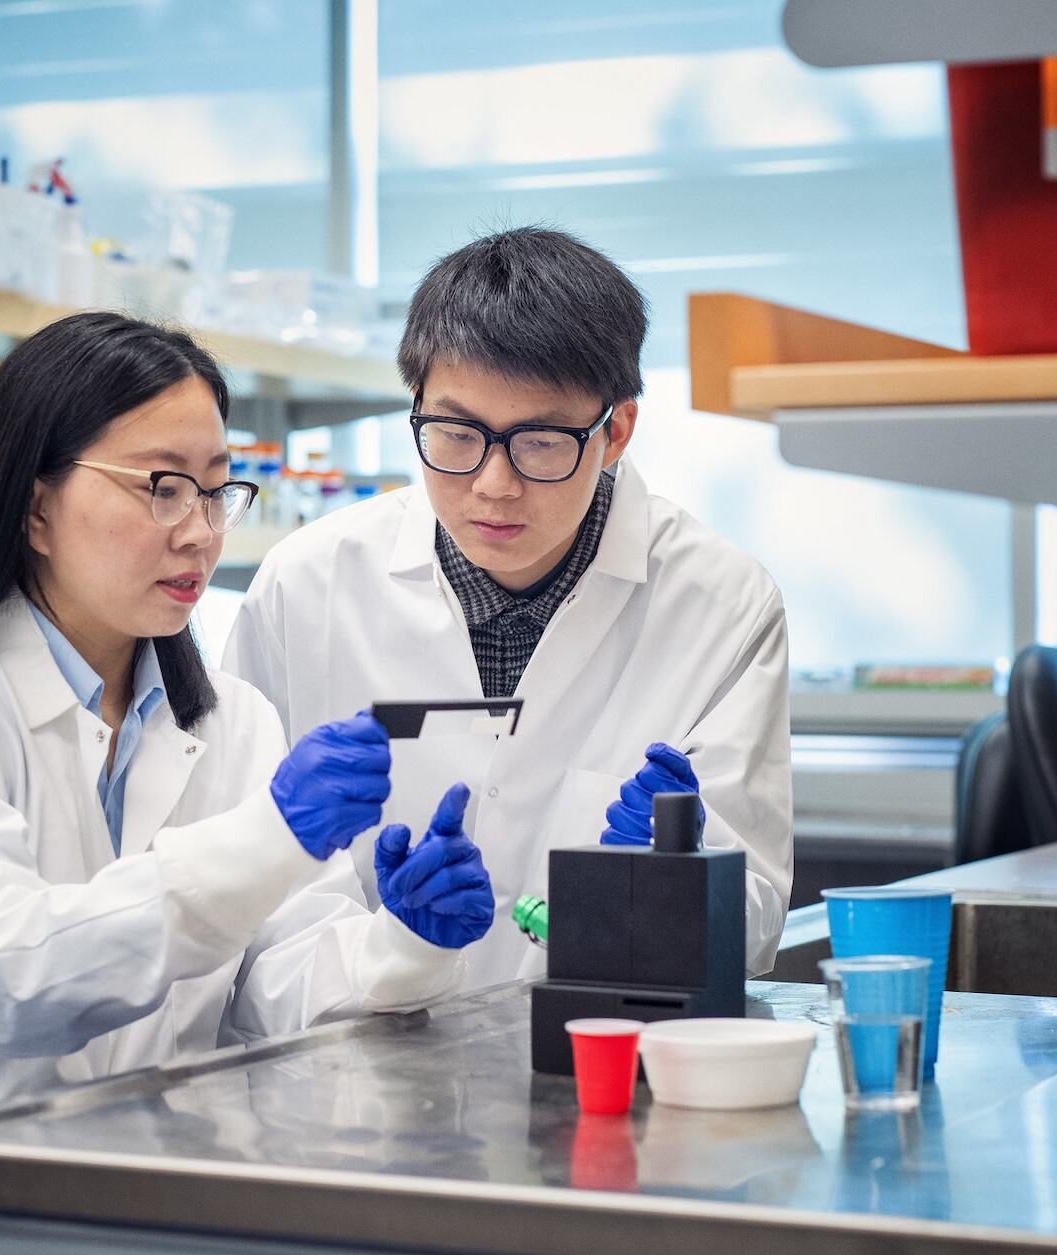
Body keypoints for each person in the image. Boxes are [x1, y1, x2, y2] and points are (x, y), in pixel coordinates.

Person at [0, 313, 495, 1255]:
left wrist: (401, 942)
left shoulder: (232, 722)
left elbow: (268, 987)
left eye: (218, 487)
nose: (200, 527)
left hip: (135, 1232)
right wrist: (271, 837)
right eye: (161, 486)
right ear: (35, 506)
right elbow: (6, 978)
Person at [224, 227, 792, 990]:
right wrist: (383, 961)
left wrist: (678, 888)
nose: (493, 484)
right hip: (354, 1066)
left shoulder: (720, 604)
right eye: (457, 434)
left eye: (540, 442)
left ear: (614, 430)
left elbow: (750, 922)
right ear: (415, 408)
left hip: (597, 1062)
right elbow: (246, 902)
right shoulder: (307, 584)